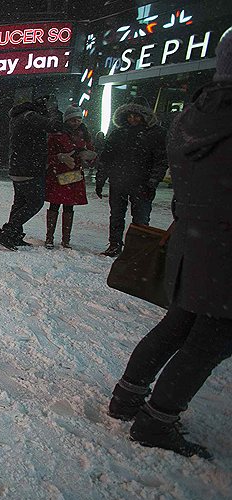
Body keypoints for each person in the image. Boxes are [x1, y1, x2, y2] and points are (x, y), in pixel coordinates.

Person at [106, 33, 232, 460]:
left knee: (179, 324)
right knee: (211, 340)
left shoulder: (189, 119)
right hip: (225, 249)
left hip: (192, 240)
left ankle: (127, 397)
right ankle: (158, 420)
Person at [94, 101, 168, 257]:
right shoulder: (119, 133)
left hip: (141, 182)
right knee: (117, 216)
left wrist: (153, 181)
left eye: (136, 116)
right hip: (120, 181)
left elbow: (161, 160)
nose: (133, 119)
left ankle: (136, 249)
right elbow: (107, 158)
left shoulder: (155, 134)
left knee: (140, 218)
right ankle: (116, 245)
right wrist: (100, 179)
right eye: (130, 116)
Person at [0, 95, 63, 250]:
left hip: (18, 167)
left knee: (20, 203)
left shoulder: (18, 116)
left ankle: (14, 235)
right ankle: (7, 231)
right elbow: (55, 125)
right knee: (35, 203)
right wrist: (54, 110)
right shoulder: (30, 116)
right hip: (29, 168)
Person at [43, 106, 96, 249]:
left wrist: (89, 156)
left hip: (73, 175)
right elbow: (47, 155)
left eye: (78, 119)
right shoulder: (57, 134)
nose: (76, 122)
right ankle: (50, 237)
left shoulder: (84, 135)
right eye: (73, 119)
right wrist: (59, 157)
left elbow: (91, 153)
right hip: (58, 174)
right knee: (55, 204)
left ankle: (66, 240)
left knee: (69, 207)